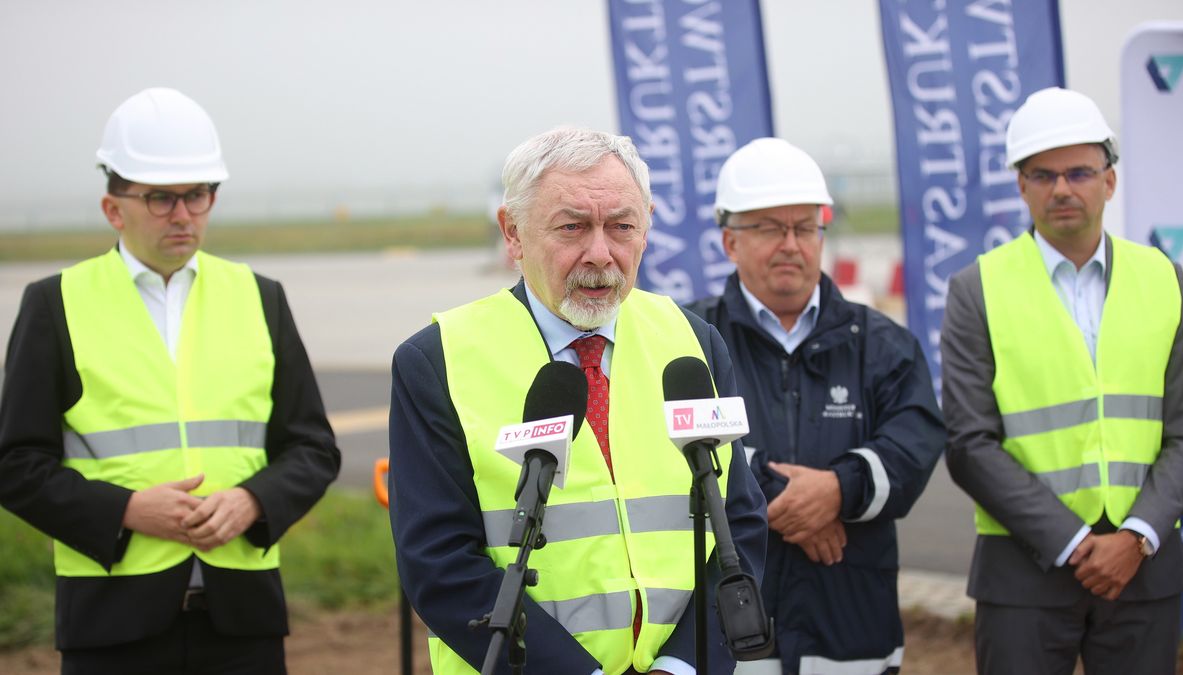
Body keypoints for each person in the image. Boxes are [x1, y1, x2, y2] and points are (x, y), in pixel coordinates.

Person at [388, 127, 768, 674]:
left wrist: (682, 666)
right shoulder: (439, 360)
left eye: (621, 227)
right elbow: (439, 564)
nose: (600, 253)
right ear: (513, 233)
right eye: (572, 227)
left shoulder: (693, 342)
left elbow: (740, 525)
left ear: (648, 226)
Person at [0, 87, 341, 674]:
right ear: (114, 208)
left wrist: (252, 501)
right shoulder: (54, 304)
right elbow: (15, 464)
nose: (183, 214)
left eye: (199, 195)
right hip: (110, 625)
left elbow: (312, 448)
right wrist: (126, 511)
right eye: (161, 198)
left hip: (243, 622)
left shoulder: (260, 299)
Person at [943, 86, 1183, 674]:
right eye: (1043, 174)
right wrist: (1075, 542)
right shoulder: (977, 289)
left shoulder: (1163, 278)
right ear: (1022, 185)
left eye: (1079, 172)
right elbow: (968, 443)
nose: (1062, 188)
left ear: (1109, 181)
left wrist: (1135, 536)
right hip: (1025, 572)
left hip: (1143, 568)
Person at [687, 138, 944, 674]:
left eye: (805, 227)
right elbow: (675, 439)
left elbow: (915, 441)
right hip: (729, 637)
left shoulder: (883, 344)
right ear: (730, 241)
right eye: (768, 228)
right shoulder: (687, 341)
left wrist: (837, 490)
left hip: (852, 636)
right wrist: (791, 499)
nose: (790, 244)